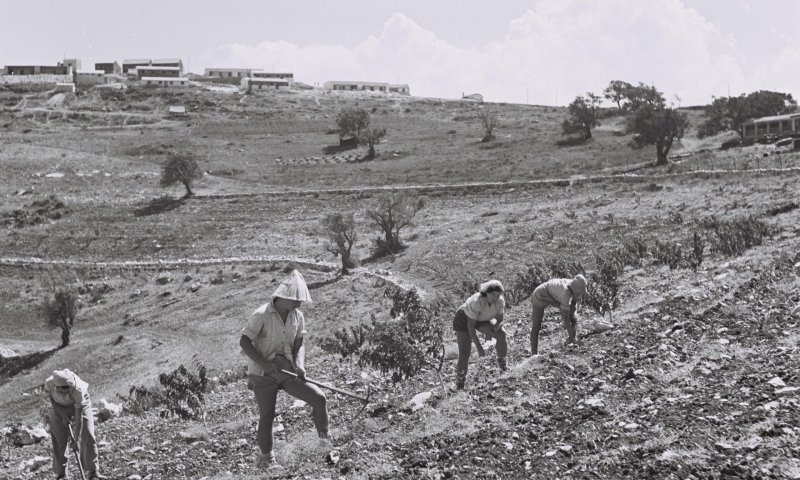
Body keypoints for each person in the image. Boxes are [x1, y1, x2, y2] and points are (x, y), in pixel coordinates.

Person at [239, 269, 328, 468]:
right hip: (263, 375)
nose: (299, 304)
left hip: (288, 372)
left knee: (319, 398)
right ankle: (267, 459)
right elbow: (244, 341)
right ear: (285, 296)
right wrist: (265, 364)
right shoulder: (261, 315)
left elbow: (299, 343)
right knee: (267, 415)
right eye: (297, 300)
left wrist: (300, 365)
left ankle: (325, 444)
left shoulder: (297, 316)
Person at [44, 369, 107, 480]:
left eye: (68, 389)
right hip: (59, 407)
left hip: (80, 405)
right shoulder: (49, 382)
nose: (67, 392)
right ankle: (62, 474)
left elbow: (79, 417)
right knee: (59, 437)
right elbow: (51, 399)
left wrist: (76, 439)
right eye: (63, 390)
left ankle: (93, 472)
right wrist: (62, 413)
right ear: (57, 387)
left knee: (87, 433)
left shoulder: (78, 389)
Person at [452, 279, 508, 390]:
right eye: (493, 294)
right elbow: (470, 327)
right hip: (464, 319)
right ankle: (460, 385)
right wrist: (479, 348)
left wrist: (492, 332)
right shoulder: (476, 301)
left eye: (498, 295)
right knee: (465, 353)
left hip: (482, 318)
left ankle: (503, 367)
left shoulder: (499, 301)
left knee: (501, 333)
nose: (496, 297)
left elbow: (500, 320)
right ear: (486, 292)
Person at [529, 274, 587, 355]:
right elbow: (566, 319)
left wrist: (574, 315)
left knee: (572, 312)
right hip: (540, 294)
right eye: (578, 293)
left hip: (553, 296)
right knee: (536, 326)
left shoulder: (573, 286)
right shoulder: (565, 292)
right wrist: (570, 333)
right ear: (575, 289)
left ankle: (572, 339)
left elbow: (573, 308)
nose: (580, 295)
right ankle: (534, 353)